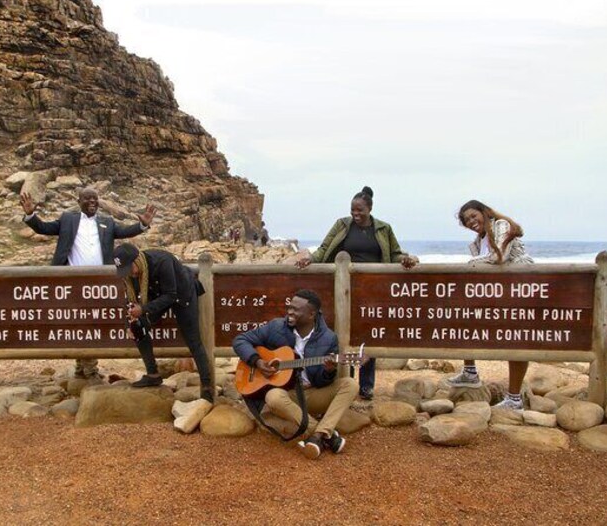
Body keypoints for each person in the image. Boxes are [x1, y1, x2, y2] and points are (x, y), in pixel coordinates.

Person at [21, 187, 156, 380]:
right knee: (76, 322)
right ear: (79, 201)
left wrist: (142, 225)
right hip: (72, 280)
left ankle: (89, 367)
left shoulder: (107, 222)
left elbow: (125, 231)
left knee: (93, 322)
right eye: (87, 198)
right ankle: (81, 364)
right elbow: (44, 228)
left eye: (95, 198)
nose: (92, 201)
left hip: (100, 281)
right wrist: (30, 215)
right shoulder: (67, 219)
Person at [296, 186, 418, 400]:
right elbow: (324, 249)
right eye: (353, 210)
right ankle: (346, 383)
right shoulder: (342, 225)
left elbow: (395, 253)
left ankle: (366, 386)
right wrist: (310, 259)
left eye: (360, 210)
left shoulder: (383, 229)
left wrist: (406, 259)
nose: (356, 214)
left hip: (373, 290)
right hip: (343, 290)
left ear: (370, 209)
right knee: (343, 335)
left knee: (366, 337)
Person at [233, 289, 358, 459]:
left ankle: (317, 436)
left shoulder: (328, 339)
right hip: (288, 396)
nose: (290, 312)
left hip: (313, 393)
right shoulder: (276, 327)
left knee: (350, 384)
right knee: (273, 396)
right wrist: (258, 362)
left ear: (311, 314)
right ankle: (324, 434)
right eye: (290, 307)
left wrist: (329, 371)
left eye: (296, 309)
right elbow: (240, 340)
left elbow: (322, 382)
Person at [447, 199, 534, 410]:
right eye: (467, 220)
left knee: (516, 339)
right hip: (497, 289)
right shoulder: (478, 241)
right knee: (464, 320)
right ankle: (470, 372)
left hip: (518, 288)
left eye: (473, 216)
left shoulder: (502, 225)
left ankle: (514, 399)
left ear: (484, 212)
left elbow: (499, 257)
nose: (471, 222)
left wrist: (469, 265)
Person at [113, 243, 214, 403]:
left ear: (136, 260)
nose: (130, 274)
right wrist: (129, 324)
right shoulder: (130, 276)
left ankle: (207, 386)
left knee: (193, 340)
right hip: (156, 294)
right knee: (137, 327)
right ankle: (153, 374)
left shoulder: (162, 261)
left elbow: (171, 295)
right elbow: (130, 301)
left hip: (181, 293)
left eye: (129, 268)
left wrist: (143, 309)